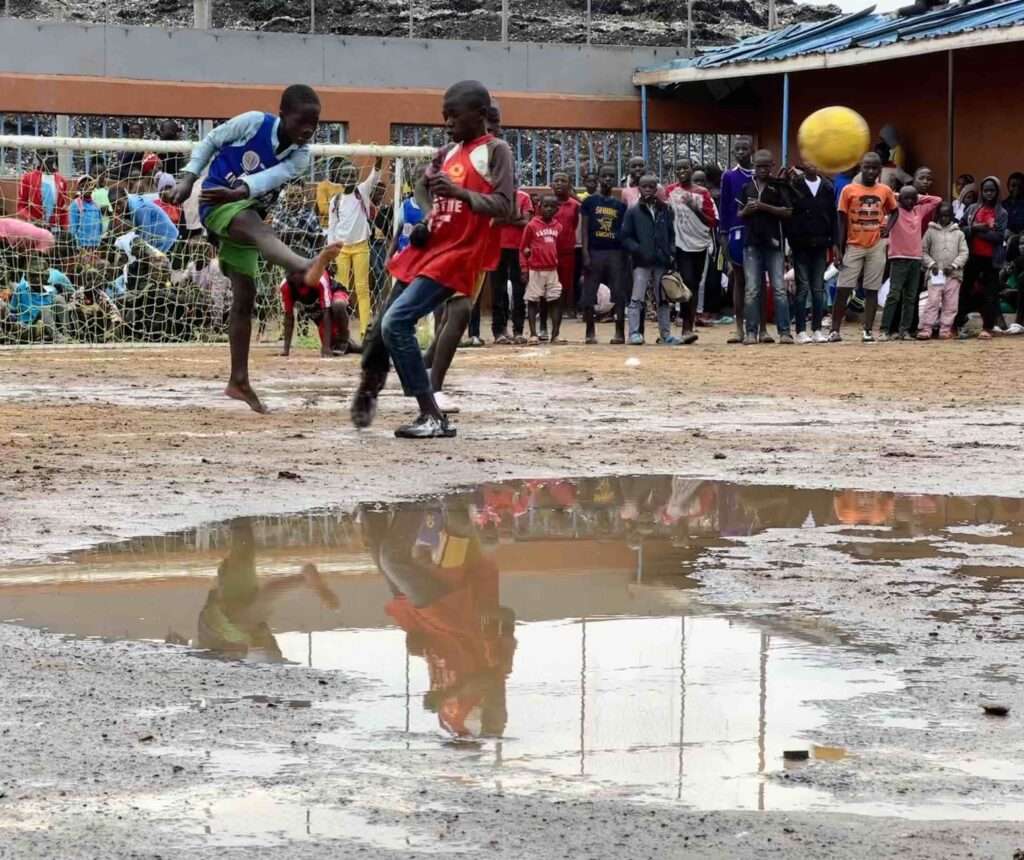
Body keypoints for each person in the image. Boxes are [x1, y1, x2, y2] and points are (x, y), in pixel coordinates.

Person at [349, 80, 513, 439]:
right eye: (444, 117)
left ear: (481, 115)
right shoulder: (446, 153)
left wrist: (460, 193)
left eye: (454, 116)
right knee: (380, 330)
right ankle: (371, 388)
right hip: (429, 247)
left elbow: (505, 204)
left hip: (458, 252)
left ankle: (431, 413)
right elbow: (425, 188)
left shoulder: (496, 150)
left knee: (398, 323)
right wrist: (425, 216)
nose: (447, 123)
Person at [163, 84, 342, 413]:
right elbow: (211, 141)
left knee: (245, 297)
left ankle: (239, 380)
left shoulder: (301, 156)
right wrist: (188, 179)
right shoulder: (252, 123)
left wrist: (241, 191)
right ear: (282, 114)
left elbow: (269, 179)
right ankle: (303, 265)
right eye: (302, 121)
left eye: (315, 124)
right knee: (260, 231)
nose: (308, 130)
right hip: (215, 202)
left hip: (245, 209)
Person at [832, 151, 898, 343]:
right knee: (843, 287)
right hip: (853, 245)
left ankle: (867, 330)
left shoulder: (884, 191)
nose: (870, 171)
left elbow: (894, 211)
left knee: (871, 289)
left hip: (876, 245)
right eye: (867, 167)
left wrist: (888, 229)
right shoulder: (849, 190)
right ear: (861, 168)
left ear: (879, 170)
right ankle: (835, 330)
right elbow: (841, 220)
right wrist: (838, 246)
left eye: (874, 168)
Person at [327, 154, 385, 338]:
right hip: (341, 250)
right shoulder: (335, 201)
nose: (350, 178)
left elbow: (375, 175)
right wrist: (330, 254)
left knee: (362, 288)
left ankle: (364, 329)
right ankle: (340, 331)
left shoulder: (362, 191)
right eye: (345, 175)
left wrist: (378, 159)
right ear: (338, 178)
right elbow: (331, 228)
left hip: (361, 246)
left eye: (352, 174)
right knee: (340, 291)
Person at [738, 149, 792, 344]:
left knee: (779, 288)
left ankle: (784, 332)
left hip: (774, 243)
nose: (762, 169)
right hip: (751, 243)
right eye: (758, 166)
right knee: (752, 289)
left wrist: (763, 207)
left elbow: (788, 212)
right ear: (754, 166)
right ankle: (751, 332)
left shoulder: (779, 187)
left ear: (772, 167)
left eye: (765, 166)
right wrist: (747, 209)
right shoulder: (746, 187)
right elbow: (739, 214)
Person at [621, 174, 681, 346]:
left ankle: (665, 335)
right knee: (637, 298)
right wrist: (638, 250)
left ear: (657, 189)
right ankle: (634, 333)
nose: (648, 189)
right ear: (639, 188)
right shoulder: (633, 211)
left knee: (662, 299)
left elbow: (671, 234)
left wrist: (670, 252)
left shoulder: (665, 210)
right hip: (642, 262)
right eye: (644, 186)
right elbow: (625, 237)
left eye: (651, 187)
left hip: (661, 261)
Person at [880, 184, 942, 340]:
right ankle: (885, 329)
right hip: (898, 259)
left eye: (912, 198)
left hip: (915, 259)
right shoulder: (894, 212)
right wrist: (897, 195)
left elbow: (937, 200)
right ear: (900, 199)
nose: (909, 201)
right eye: (906, 198)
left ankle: (905, 330)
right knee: (894, 295)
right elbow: (885, 197)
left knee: (910, 296)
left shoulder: (918, 211)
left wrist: (918, 198)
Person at [665, 157, 715, 344]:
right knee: (686, 281)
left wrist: (695, 209)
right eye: (678, 168)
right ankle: (686, 327)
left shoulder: (702, 193)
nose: (682, 171)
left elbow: (712, 221)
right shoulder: (670, 191)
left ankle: (689, 324)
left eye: (685, 167)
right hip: (680, 244)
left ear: (692, 169)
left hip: (700, 244)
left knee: (694, 285)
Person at [786, 162, 835, 343]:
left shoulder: (827, 187)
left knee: (818, 288)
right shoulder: (795, 185)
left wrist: (835, 243)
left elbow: (833, 215)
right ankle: (800, 330)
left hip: (821, 243)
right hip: (801, 244)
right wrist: (791, 241)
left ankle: (816, 329)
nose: (812, 165)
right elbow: (790, 216)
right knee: (803, 288)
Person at [580, 164, 627, 344]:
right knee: (589, 293)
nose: (608, 179)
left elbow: (622, 230)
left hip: (615, 252)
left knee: (618, 292)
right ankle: (590, 331)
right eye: (604, 176)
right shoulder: (589, 202)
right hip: (595, 251)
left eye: (611, 176)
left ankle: (619, 332)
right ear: (599, 178)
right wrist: (585, 252)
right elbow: (584, 229)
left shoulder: (620, 205)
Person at [957, 176, 1008, 340]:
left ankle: (987, 327)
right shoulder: (972, 209)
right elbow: (961, 229)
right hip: (973, 256)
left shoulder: (1001, 212)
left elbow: (999, 237)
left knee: (990, 294)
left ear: (997, 192)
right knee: (965, 290)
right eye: (986, 190)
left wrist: (979, 231)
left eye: (992, 190)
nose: (989, 194)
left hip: (991, 259)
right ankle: (957, 324)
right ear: (981, 191)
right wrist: (976, 228)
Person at [719, 136, 757, 344]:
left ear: (752, 150)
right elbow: (725, 209)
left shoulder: (761, 173)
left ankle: (760, 328)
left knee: (758, 282)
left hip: (759, 232)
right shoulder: (729, 176)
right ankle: (739, 328)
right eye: (737, 149)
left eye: (745, 149)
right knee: (739, 280)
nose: (741, 152)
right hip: (737, 232)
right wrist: (724, 236)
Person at [491, 183, 533, 344]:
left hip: (518, 248)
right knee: (498, 290)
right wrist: (514, 217)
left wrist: (505, 218)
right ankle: (499, 331)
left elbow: (526, 223)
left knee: (519, 290)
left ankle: (518, 330)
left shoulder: (524, 197)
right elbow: (492, 222)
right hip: (496, 248)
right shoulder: (494, 197)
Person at [279, 269, 356, 357]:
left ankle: (343, 340)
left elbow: (326, 310)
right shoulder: (286, 286)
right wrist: (286, 349)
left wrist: (325, 347)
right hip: (321, 316)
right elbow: (289, 316)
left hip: (335, 297)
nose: (295, 277)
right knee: (333, 345)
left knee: (338, 305)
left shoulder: (319, 277)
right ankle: (352, 346)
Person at [920, 201, 969, 340]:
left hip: (953, 275)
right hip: (935, 275)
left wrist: (953, 265)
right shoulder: (930, 232)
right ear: (937, 216)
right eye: (941, 216)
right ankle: (927, 328)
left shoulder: (959, 234)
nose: (944, 219)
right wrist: (931, 264)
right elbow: (923, 251)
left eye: (947, 216)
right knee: (932, 301)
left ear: (952, 216)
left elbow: (964, 253)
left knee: (951, 303)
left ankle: (945, 329)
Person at [520, 194, 563, 345]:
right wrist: (524, 268)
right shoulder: (532, 225)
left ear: (557, 209)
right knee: (533, 300)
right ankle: (533, 334)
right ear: (539, 207)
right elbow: (523, 248)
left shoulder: (558, 226)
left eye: (552, 206)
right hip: (535, 269)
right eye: (546, 206)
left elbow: (557, 247)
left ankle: (555, 335)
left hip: (552, 270)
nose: (549, 209)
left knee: (555, 299)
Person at [109, 185, 181, 255]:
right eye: (113, 205)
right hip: (159, 241)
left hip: (169, 241)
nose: (117, 208)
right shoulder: (128, 206)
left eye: (119, 203)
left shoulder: (139, 208)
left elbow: (145, 236)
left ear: (126, 198)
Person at [550, 171, 581, 316]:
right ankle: (550, 309)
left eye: (563, 181)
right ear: (551, 185)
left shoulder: (574, 205)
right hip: (548, 250)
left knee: (567, 281)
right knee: (549, 280)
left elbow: (574, 224)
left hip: (567, 249)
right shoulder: (547, 204)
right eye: (556, 181)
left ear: (569, 185)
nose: (559, 184)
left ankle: (567, 308)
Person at [271, 181, 324, 258]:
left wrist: (305, 234)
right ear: (285, 197)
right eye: (291, 196)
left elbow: (319, 238)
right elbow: (274, 241)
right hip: (284, 259)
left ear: (303, 197)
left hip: (307, 259)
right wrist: (287, 235)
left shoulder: (309, 214)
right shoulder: (279, 216)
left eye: (299, 196)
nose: (296, 199)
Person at [16, 154, 69, 229]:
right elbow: (21, 206)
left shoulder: (61, 180)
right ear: (37, 155)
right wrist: (33, 220)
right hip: (35, 229)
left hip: (55, 229)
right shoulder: (28, 178)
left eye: (50, 152)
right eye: (43, 152)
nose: (47, 155)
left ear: (55, 155)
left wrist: (64, 228)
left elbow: (63, 208)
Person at [68, 175, 105, 252]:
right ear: (79, 188)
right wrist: (77, 246)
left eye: (89, 185)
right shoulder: (75, 204)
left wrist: (100, 241)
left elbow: (100, 227)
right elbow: (73, 228)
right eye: (83, 186)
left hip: (96, 245)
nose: (87, 188)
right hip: (82, 246)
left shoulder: (96, 205)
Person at [1004, 171, 1024, 238]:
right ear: (1008, 186)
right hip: (1005, 238)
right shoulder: (1003, 205)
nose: (1016, 189)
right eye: (1013, 186)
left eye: (1020, 186)